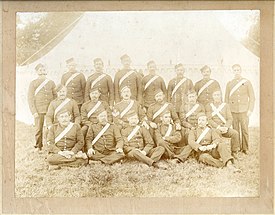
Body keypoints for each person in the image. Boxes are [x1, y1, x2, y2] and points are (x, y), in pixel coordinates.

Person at [174, 113, 240, 172]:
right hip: (201, 152)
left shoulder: (211, 130)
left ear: (206, 122)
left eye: (203, 120)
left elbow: (217, 139)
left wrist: (213, 145)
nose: (200, 122)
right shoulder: (193, 131)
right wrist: (199, 147)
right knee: (205, 157)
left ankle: (229, 163)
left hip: (212, 150)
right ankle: (223, 165)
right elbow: (191, 141)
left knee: (222, 145)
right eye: (199, 120)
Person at [225, 64, 255, 154]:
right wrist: (227, 112)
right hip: (233, 111)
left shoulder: (247, 82)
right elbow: (226, 98)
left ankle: (245, 148)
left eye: (238, 70)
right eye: (235, 70)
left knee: (245, 129)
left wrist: (250, 110)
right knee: (235, 130)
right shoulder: (230, 83)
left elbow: (252, 97)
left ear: (241, 71)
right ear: (232, 72)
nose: (236, 72)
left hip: (244, 111)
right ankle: (236, 148)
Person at [27, 63, 57, 151]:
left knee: (51, 127)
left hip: (49, 109)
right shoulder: (33, 83)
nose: (42, 71)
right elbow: (30, 98)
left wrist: (54, 108)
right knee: (38, 129)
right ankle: (38, 146)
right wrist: (34, 112)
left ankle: (51, 145)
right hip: (38, 109)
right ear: (36, 72)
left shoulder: (51, 82)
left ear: (46, 71)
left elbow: (55, 96)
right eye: (40, 70)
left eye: (44, 69)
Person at [206, 90, 240, 157]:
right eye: (215, 95)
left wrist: (226, 127)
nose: (217, 97)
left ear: (221, 96)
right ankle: (217, 153)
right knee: (216, 134)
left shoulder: (226, 105)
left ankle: (234, 152)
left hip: (225, 128)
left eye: (218, 95)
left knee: (235, 133)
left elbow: (230, 118)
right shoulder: (209, 106)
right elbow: (209, 119)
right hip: (214, 128)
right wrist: (218, 127)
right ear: (212, 96)